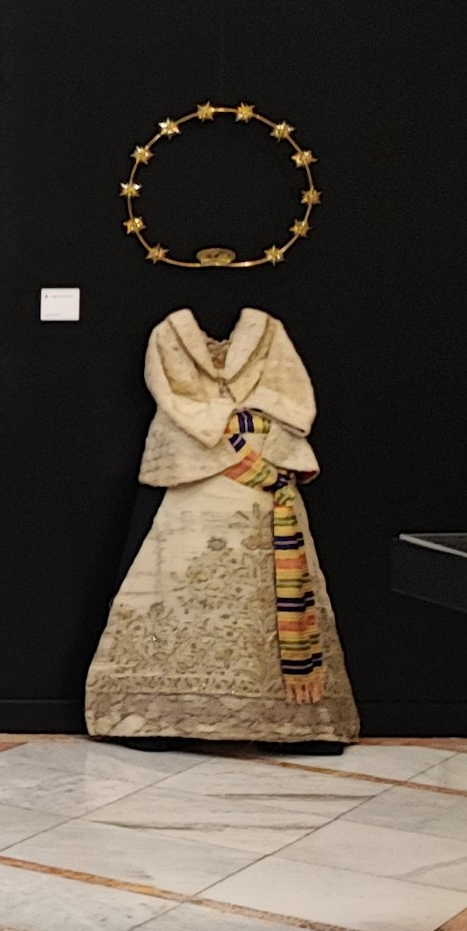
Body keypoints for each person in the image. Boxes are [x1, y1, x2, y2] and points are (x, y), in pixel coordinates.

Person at [84, 308, 357, 748]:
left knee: (263, 593)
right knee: (176, 592)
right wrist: (229, 431)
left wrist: (242, 435)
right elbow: (178, 403)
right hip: (192, 487)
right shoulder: (169, 335)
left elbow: (293, 403)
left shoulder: (268, 333)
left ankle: (291, 719)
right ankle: (163, 714)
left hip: (265, 486)